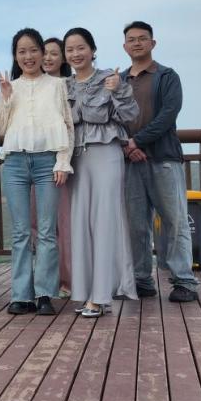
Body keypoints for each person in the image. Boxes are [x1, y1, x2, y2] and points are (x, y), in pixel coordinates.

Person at [0, 29, 74, 316]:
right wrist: (5, 98)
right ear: (16, 56)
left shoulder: (58, 85)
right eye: (21, 51)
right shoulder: (10, 86)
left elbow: (68, 125)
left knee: (47, 231)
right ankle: (21, 295)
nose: (28, 56)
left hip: (47, 161)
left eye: (32, 50)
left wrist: (62, 161)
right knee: (20, 232)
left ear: (42, 52)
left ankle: (44, 293)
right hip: (15, 161)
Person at [121, 21, 200, 302]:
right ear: (124, 46)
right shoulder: (119, 80)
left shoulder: (167, 76)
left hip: (164, 158)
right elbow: (111, 118)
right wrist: (127, 145)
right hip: (130, 162)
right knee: (135, 224)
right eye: (132, 39)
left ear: (153, 43)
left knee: (174, 222)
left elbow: (168, 115)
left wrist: (137, 141)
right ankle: (141, 280)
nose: (137, 43)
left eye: (142, 38)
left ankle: (184, 281)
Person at [64, 28, 138, 317]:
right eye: (70, 49)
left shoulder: (110, 78)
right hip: (75, 158)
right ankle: (84, 293)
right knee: (80, 223)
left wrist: (118, 90)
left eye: (81, 47)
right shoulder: (64, 86)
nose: (76, 54)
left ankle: (101, 296)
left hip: (105, 152)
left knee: (105, 221)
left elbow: (130, 115)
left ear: (92, 50)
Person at [42, 36, 73, 298]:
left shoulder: (68, 85)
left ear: (63, 58)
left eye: (54, 53)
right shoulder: (32, 86)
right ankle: (46, 279)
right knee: (41, 225)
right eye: (44, 53)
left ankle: (67, 279)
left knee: (65, 223)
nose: (48, 58)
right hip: (38, 162)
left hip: (63, 160)